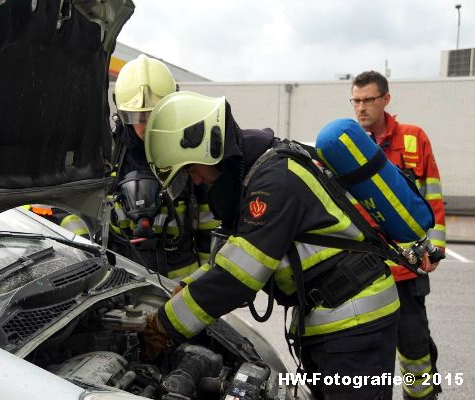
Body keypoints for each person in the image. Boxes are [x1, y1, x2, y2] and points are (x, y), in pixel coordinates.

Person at [142, 91, 401, 399]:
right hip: (341, 321)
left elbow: (238, 277)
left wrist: (163, 326)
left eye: (189, 168)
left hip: (354, 325)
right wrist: (187, 286)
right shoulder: (257, 173)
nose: (195, 180)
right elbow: (234, 256)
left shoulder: (274, 181)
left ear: (208, 147)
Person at [351, 70, 445, 400]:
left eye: (368, 100)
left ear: (386, 99)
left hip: (407, 270)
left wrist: (437, 249)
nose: (361, 108)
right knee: (364, 354)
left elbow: (432, 195)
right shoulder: (346, 148)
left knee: (414, 347)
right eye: (356, 100)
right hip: (363, 271)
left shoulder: (413, 139)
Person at [109, 55, 218, 281]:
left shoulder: (189, 151)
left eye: (154, 113)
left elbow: (210, 221)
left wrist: (205, 282)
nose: (145, 123)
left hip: (182, 285)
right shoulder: (106, 157)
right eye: (135, 115)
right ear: (120, 112)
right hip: (119, 282)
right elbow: (78, 216)